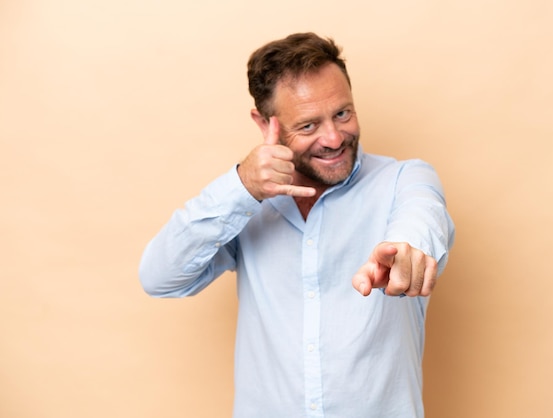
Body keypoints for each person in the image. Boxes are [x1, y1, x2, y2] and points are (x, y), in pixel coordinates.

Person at [139, 32, 455, 418]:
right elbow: (159, 277)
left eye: (343, 113)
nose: (334, 137)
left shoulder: (404, 180)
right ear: (264, 123)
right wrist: (241, 187)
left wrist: (407, 252)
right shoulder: (244, 207)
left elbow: (421, 221)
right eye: (308, 126)